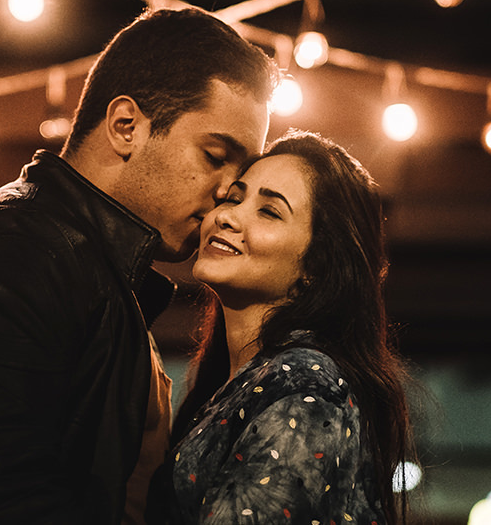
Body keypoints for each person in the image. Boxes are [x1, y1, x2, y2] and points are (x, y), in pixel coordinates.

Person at [0, 7, 277, 524]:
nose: (224, 196)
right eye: (216, 155)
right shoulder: (13, 254)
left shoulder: (85, 267)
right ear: (126, 126)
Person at [147, 130, 413, 525]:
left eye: (268, 211)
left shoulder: (306, 385)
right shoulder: (247, 380)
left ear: (315, 269)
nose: (225, 215)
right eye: (233, 198)